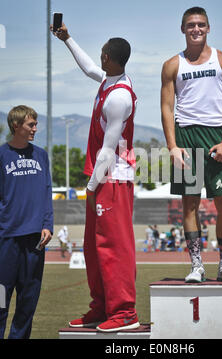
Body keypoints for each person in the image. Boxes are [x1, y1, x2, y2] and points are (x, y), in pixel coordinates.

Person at [52, 23, 139, 332]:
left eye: (102, 53)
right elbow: (89, 68)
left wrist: (89, 187)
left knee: (115, 247)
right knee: (94, 247)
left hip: (111, 178)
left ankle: (125, 311)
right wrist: (67, 39)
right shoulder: (109, 79)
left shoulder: (119, 97)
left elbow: (107, 150)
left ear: (109, 57)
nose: (99, 58)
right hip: (102, 178)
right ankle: (101, 307)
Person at [161, 7, 222, 283]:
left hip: (217, 137)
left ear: (209, 28)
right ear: (183, 29)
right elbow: (167, 107)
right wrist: (172, 146)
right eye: (191, 25)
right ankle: (197, 266)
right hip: (186, 138)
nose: (196, 29)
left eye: (201, 25)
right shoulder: (172, 65)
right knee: (190, 204)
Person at [0, 105, 53, 339]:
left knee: (28, 301)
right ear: (16, 126)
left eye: (35, 124)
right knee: (1, 300)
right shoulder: (2, 155)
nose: (35, 128)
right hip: (6, 240)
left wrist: (48, 225)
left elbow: (46, 191)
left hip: (34, 240)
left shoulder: (41, 155)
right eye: (31, 124)